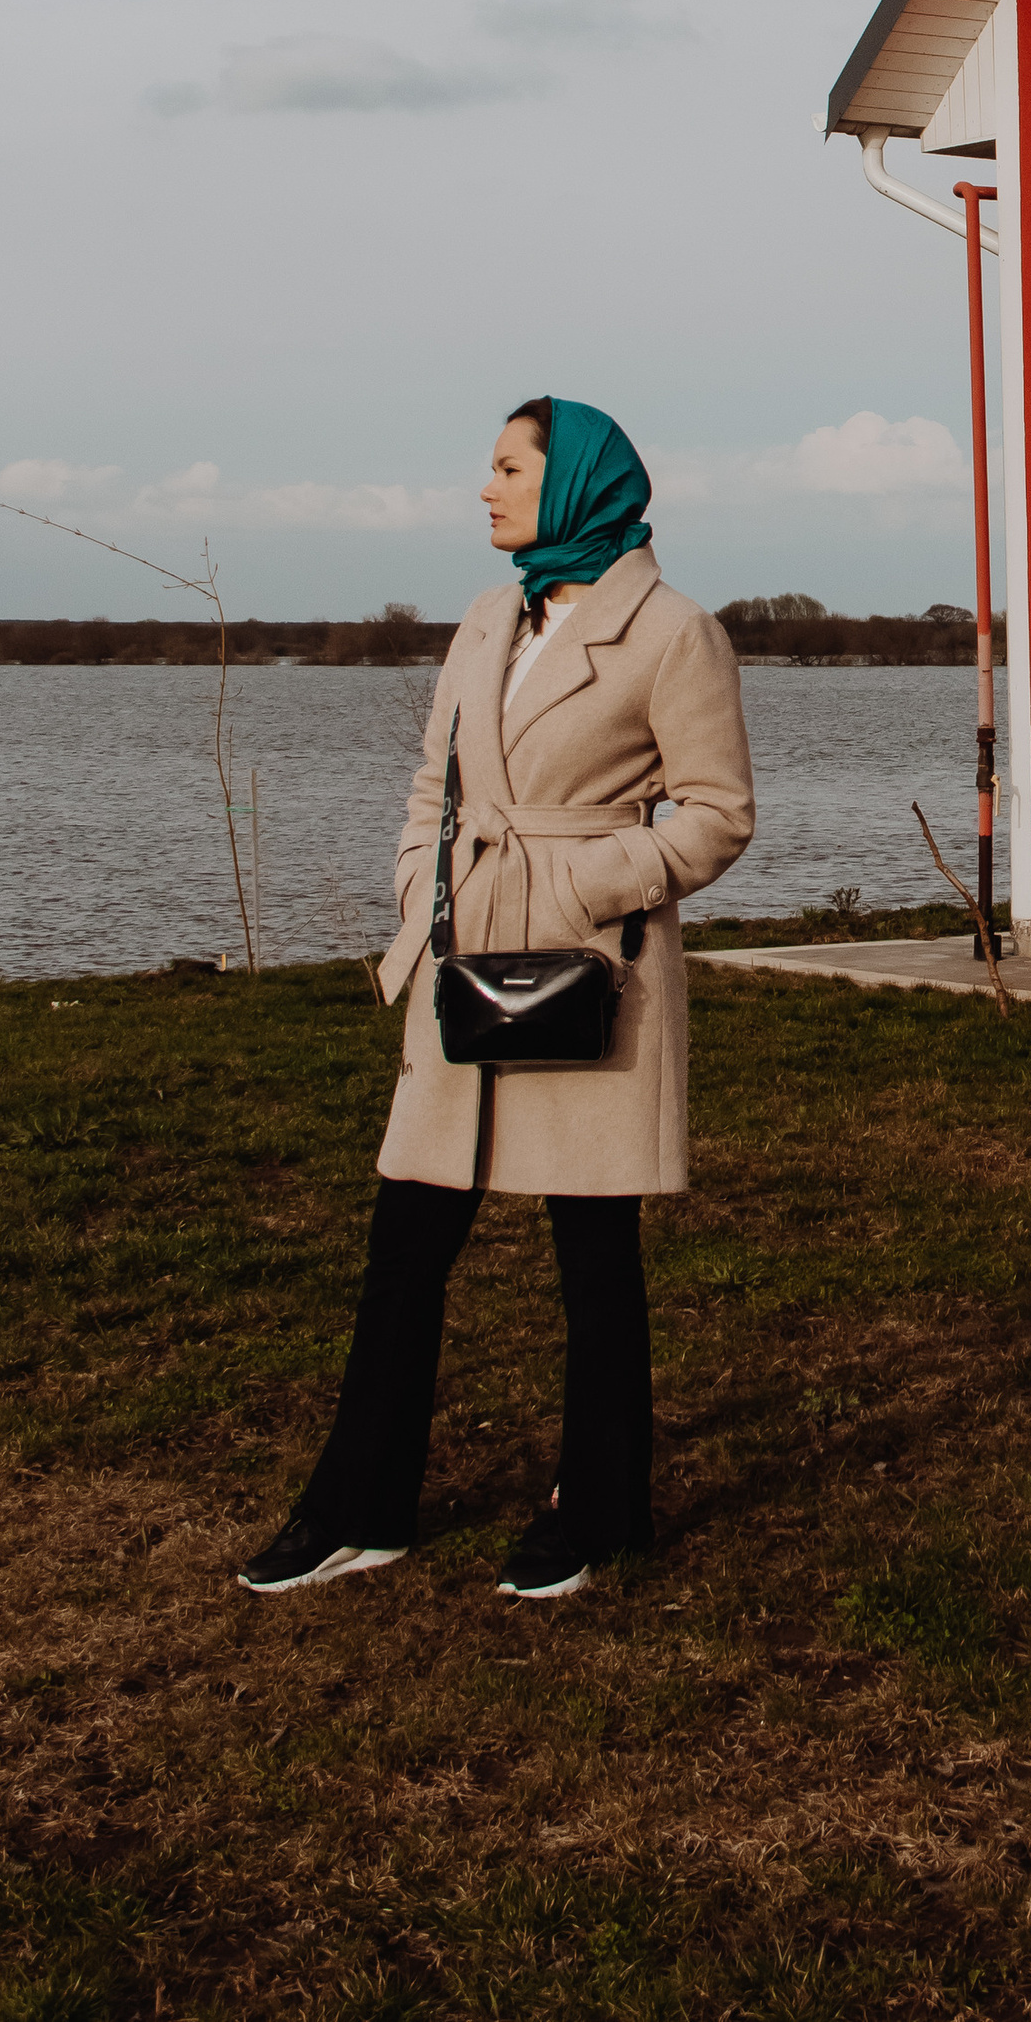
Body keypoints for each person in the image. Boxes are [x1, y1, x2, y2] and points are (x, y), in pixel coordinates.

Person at [240, 395, 755, 1601]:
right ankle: (359, 1506)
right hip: (460, 948)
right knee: (406, 1237)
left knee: (592, 1245)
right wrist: (423, 895)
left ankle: (601, 1508)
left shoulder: (675, 633)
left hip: (591, 965)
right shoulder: (486, 618)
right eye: (489, 466)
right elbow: (437, 780)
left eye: (509, 466)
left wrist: (587, 882)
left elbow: (719, 812)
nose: (485, 487)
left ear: (571, 481)